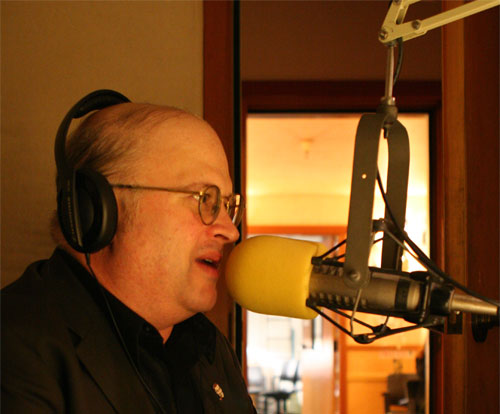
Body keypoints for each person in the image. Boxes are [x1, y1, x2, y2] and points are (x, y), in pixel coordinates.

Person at [1, 90, 256, 413]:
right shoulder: (16, 346)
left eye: (228, 206)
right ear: (99, 209)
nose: (230, 231)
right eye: (204, 198)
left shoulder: (209, 347)